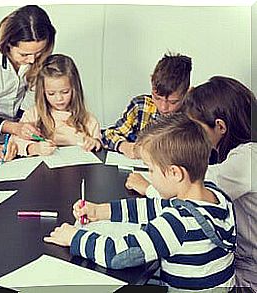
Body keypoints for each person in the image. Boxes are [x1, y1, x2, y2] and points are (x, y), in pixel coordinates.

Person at [44, 113, 236, 291]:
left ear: (175, 173)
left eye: (150, 170)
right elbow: (155, 207)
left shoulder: (178, 223)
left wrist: (75, 238)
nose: (149, 175)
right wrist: (102, 211)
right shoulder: (215, 196)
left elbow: (119, 254)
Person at [126, 76, 257, 290]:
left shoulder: (246, 160)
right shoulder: (241, 151)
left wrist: (148, 186)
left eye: (195, 128)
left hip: (248, 274)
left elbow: (190, 188)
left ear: (220, 126)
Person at [0, 5, 56, 145]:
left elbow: (31, 96)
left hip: (23, 133)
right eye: (24, 55)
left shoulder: (39, 55)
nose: (32, 61)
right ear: (7, 45)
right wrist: (16, 128)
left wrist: (25, 125)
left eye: (38, 53)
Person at [102, 52, 192, 158]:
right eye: (157, 98)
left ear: (187, 92)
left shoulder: (193, 116)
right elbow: (109, 134)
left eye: (173, 102)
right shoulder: (141, 106)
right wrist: (125, 146)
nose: (163, 107)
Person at [11, 54, 101, 156]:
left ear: (75, 89)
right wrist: (34, 148)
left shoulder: (88, 120)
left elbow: (98, 146)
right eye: (51, 93)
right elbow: (14, 143)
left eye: (65, 92)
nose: (59, 99)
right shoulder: (33, 115)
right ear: (43, 92)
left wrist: (94, 143)